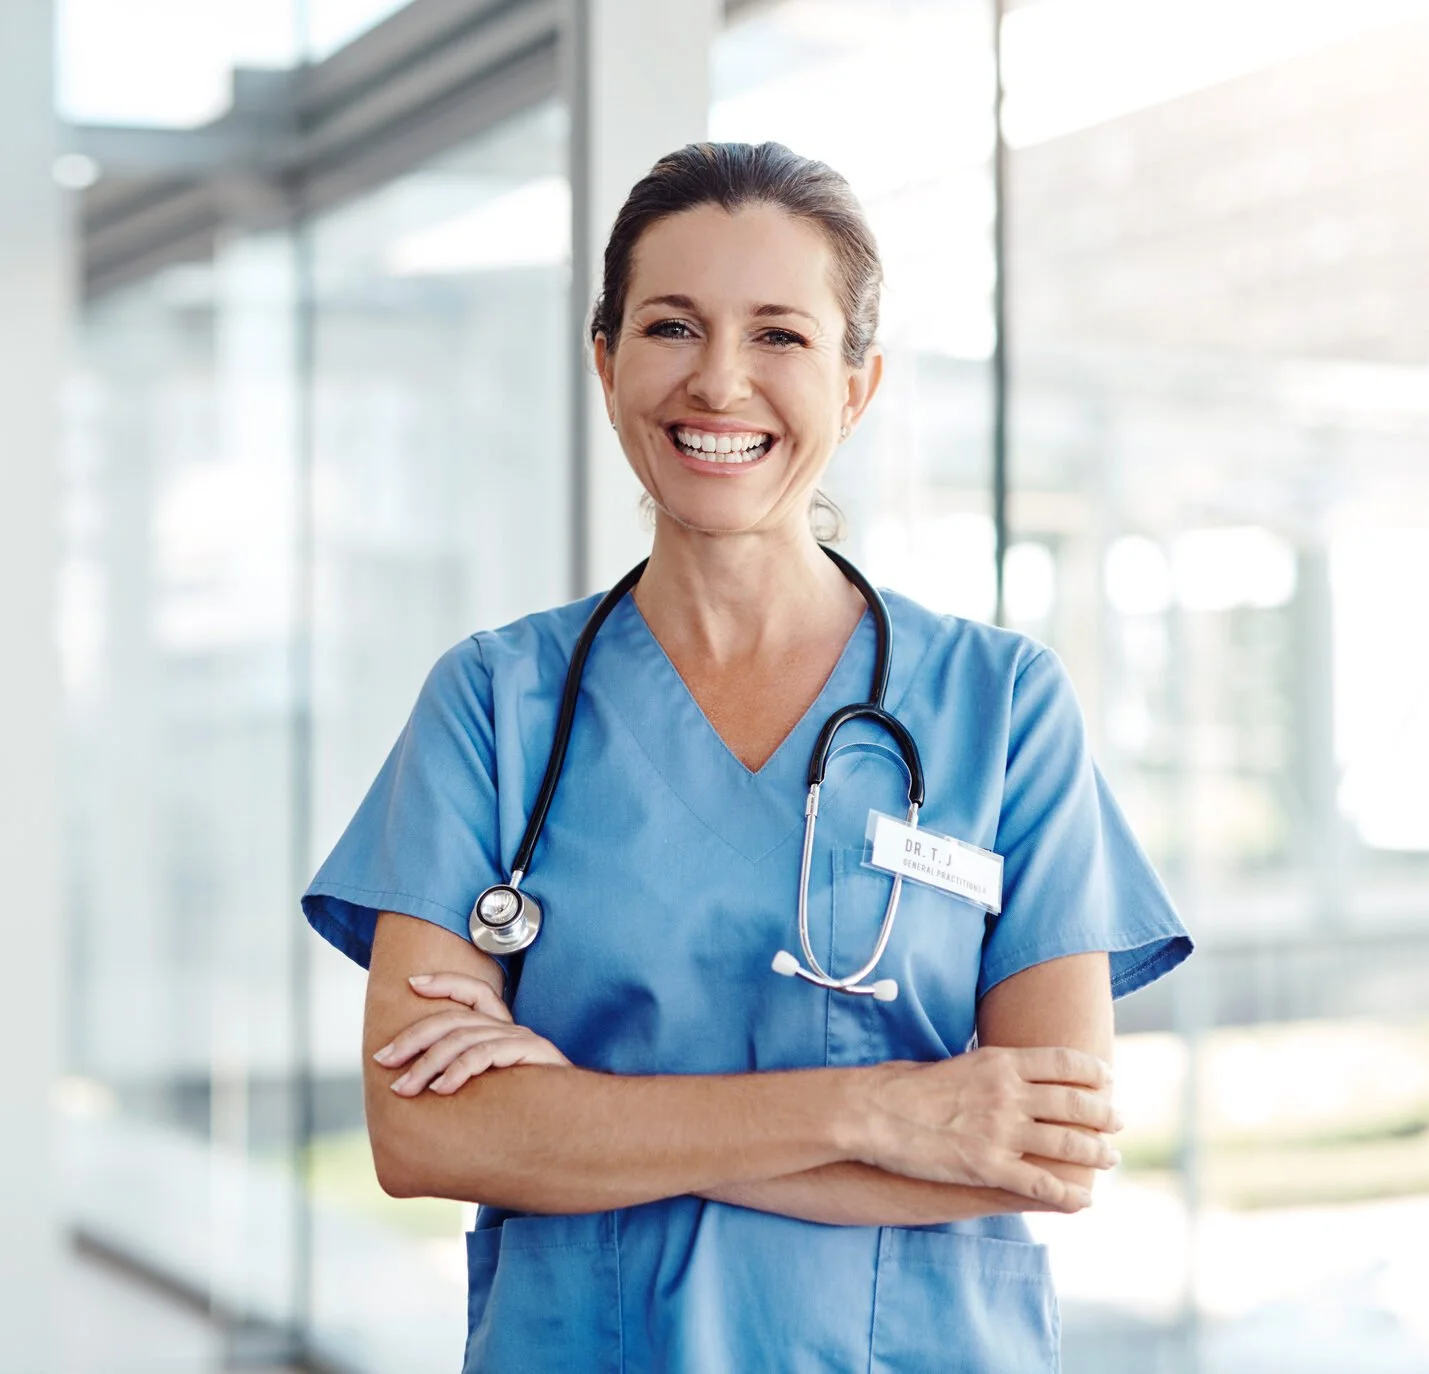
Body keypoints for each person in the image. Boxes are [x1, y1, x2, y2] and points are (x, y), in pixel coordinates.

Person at [302, 141, 1192, 1373]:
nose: (719, 383)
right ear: (606, 361)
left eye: (779, 335)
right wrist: (884, 1108)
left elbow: (1044, 1148)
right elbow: (425, 1137)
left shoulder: (1002, 707)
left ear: (857, 383)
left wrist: (578, 1116)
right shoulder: (494, 704)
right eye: (670, 327)